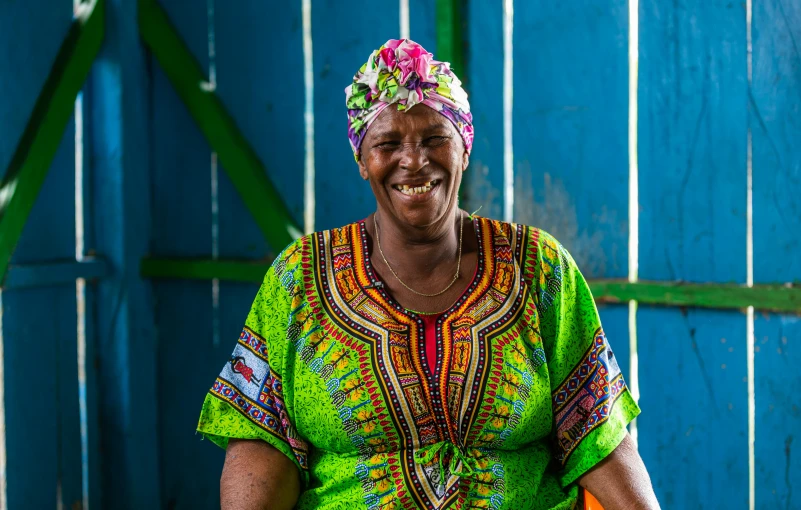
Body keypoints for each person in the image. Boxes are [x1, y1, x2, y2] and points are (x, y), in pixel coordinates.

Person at [197, 38, 660, 510]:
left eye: (435, 138)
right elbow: (262, 440)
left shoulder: (538, 268)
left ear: (464, 147)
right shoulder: (300, 279)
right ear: (362, 159)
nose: (414, 160)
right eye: (388, 143)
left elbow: (597, 434)